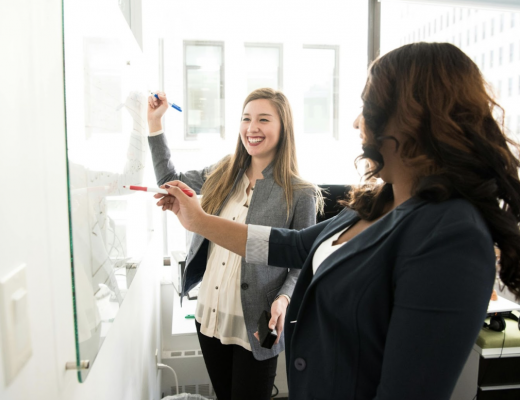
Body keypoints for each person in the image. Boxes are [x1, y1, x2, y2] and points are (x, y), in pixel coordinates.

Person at [154, 42, 520, 399]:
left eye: (368, 106)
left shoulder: (452, 233)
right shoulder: (378, 201)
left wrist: (280, 299)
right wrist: (198, 221)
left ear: (414, 117)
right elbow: (294, 245)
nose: (357, 120)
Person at [147, 88, 322, 400]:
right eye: (246, 118)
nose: (251, 128)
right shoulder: (223, 172)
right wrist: (154, 124)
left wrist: (283, 299)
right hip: (210, 315)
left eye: (263, 119)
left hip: (256, 325)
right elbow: (169, 181)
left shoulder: (300, 193)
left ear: (284, 128)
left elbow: (301, 262)